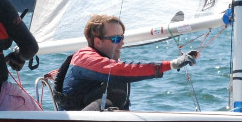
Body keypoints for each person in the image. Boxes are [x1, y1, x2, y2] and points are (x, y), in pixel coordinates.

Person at [56, 14, 197, 111]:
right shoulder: (85, 58)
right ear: (97, 42)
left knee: (117, 90)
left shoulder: (101, 59)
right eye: (116, 39)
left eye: (122, 38)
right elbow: (120, 70)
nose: (122, 43)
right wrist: (171, 64)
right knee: (118, 80)